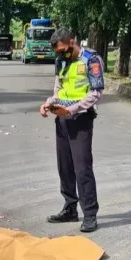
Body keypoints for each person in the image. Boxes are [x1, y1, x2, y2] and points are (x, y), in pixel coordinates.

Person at [39, 28, 104, 233]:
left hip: (81, 119)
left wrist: (72, 109)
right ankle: (70, 208)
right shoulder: (61, 61)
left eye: (63, 50)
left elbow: (96, 92)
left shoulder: (91, 60)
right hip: (62, 119)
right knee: (65, 167)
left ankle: (90, 214)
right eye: (57, 52)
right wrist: (49, 103)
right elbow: (58, 90)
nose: (61, 54)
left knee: (82, 167)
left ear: (72, 42)